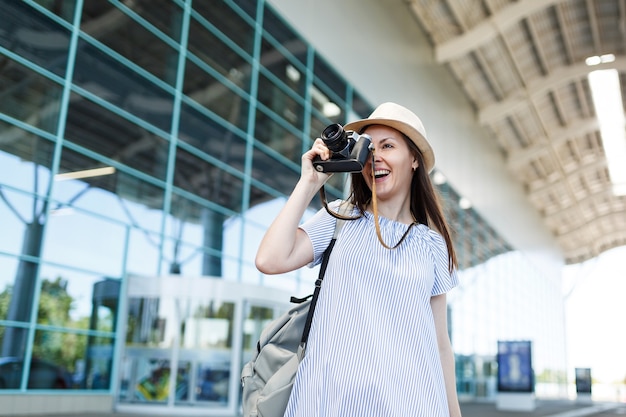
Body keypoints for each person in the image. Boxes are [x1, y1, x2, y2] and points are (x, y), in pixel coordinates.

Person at [255, 102, 462, 417]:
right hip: (330, 403)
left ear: (414, 160)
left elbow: (440, 344)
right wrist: (309, 182)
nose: (375, 156)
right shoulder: (340, 218)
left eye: (388, 146)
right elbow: (270, 259)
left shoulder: (434, 246)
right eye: (369, 148)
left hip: (414, 404)